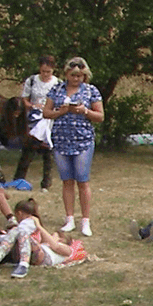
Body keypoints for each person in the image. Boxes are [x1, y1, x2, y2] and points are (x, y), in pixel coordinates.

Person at [44, 57, 103, 236]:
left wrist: (84, 111)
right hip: (61, 140)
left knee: (82, 180)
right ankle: (69, 218)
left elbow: (100, 116)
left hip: (82, 140)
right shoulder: (57, 89)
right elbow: (46, 112)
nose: (76, 79)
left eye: (79, 75)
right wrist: (60, 111)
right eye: (73, 75)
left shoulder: (91, 90)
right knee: (67, 180)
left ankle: (85, 220)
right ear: (66, 74)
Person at [15, 55, 58, 188]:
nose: (45, 74)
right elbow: (24, 99)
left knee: (47, 152)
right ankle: (19, 180)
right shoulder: (32, 80)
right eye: (43, 71)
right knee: (28, 150)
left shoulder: (57, 83)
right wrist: (32, 106)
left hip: (48, 121)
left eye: (48, 72)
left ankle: (46, 183)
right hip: (33, 119)